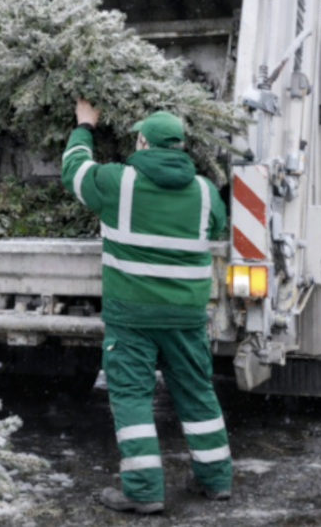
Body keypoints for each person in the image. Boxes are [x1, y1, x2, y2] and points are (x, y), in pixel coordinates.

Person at [61, 100, 232, 515]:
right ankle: (215, 481)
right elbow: (217, 227)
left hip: (132, 317)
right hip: (185, 316)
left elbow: (74, 170)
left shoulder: (119, 182)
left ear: (142, 141)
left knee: (133, 398)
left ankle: (142, 490)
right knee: (196, 393)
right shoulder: (206, 192)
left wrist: (85, 125)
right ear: (180, 146)